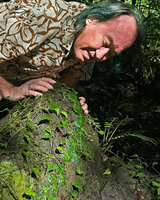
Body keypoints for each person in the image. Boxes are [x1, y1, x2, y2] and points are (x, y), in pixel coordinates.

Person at [0, 0, 144, 114]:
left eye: (111, 53)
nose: (101, 56)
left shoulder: (87, 48)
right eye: (105, 42)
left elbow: (63, 86)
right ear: (92, 19)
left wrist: (68, 102)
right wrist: (10, 90)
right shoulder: (43, 16)